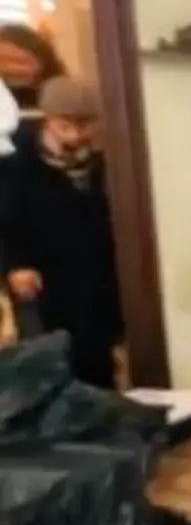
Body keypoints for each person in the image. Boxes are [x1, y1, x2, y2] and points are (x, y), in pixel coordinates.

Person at [0, 76, 123, 388]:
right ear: (48, 119)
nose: (76, 135)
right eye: (65, 126)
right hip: (43, 282)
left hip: (96, 279)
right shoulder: (16, 162)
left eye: (86, 126)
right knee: (50, 370)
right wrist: (13, 266)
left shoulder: (108, 162)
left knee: (99, 369)